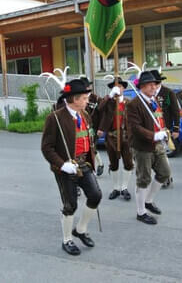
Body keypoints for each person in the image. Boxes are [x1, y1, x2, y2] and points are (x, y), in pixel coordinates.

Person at [41, 79, 102, 256]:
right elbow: (46, 147)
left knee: (95, 195)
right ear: (75, 99)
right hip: (65, 167)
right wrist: (62, 165)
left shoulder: (85, 115)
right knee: (70, 205)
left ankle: (81, 230)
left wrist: (93, 157)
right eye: (84, 98)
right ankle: (67, 239)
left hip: (84, 164)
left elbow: (89, 139)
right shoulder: (55, 118)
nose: (87, 101)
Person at [127, 71, 172, 225]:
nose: (154, 86)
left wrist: (163, 132)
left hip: (157, 145)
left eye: (155, 84)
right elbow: (135, 128)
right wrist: (154, 135)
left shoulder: (154, 101)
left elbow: (159, 119)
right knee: (143, 179)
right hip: (142, 147)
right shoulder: (133, 104)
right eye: (151, 84)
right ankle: (141, 212)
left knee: (165, 173)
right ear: (143, 86)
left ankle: (148, 200)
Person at [97, 77, 134, 201]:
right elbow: (99, 108)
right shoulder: (108, 102)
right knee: (114, 164)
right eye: (115, 87)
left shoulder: (129, 102)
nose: (118, 89)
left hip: (126, 136)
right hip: (111, 136)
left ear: (124, 88)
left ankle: (124, 187)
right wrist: (109, 96)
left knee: (128, 163)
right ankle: (116, 188)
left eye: (120, 87)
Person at [151, 69, 179, 188]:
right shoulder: (149, 94)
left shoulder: (168, 93)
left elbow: (175, 111)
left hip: (164, 128)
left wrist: (176, 128)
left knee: (162, 153)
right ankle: (163, 175)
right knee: (156, 154)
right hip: (151, 129)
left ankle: (167, 176)